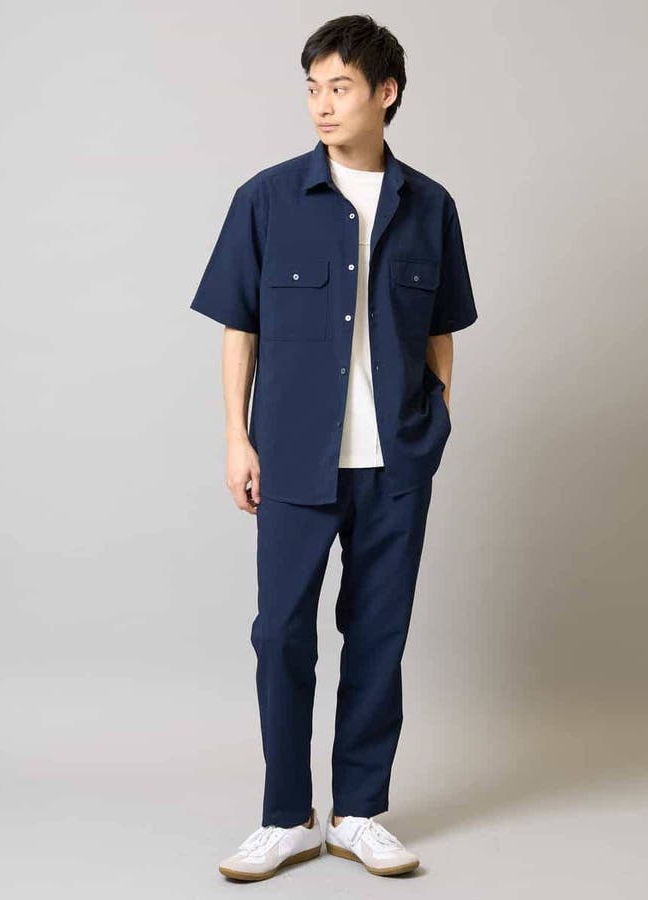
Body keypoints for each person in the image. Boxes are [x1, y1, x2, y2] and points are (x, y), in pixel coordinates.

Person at [190, 14, 478, 882]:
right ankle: (287, 818)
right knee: (281, 633)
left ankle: (359, 814)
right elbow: (239, 326)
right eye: (313, 87)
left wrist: (434, 420)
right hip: (290, 459)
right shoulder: (266, 198)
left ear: (385, 93)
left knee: (378, 637)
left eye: (340, 87)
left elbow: (441, 329)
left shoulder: (431, 207)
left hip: (395, 465)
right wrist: (236, 436)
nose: (321, 103)